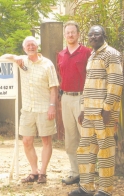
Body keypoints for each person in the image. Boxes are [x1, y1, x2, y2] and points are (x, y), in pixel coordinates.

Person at [68, 25, 123, 196]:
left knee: (105, 150)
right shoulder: (92, 55)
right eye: (90, 34)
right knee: (85, 149)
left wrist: (107, 109)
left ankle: (106, 190)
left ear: (103, 36)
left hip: (104, 113)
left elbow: (116, 82)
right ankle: (86, 187)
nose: (93, 37)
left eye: (96, 34)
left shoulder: (111, 54)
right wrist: (84, 108)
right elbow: (89, 84)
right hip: (90, 112)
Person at [0, 36, 59, 184]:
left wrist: (52, 106)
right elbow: (2, 58)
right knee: (26, 141)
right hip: (27, 109)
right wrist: (15, 57)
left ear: (37, 46)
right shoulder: (22, 61)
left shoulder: (47, 64)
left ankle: (43, 173)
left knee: (46, 140)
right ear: (24, 48)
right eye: (28, 46)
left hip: (44, 108)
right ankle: (34, 171)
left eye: (33, 44)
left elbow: (54, 88)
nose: (31, 47)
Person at [57, 21, 91, 185]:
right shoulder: (61, 54)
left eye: (73, 32)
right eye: (67, 32)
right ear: (65, 35)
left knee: (85, 136)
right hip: (66, 98)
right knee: (70, 137)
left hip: (82, 98)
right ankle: (75, 172)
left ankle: (88, 174)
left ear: (78, 34)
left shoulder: (87, 52)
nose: (70, 35)